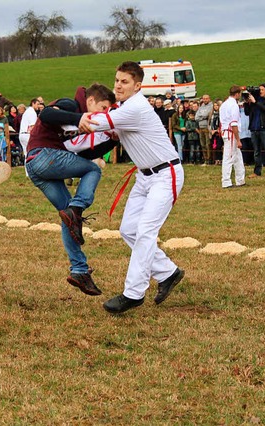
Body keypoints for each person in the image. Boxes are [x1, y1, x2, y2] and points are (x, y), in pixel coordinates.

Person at [87, 61, 185, 314]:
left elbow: (101, 122)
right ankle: (168, 273)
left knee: (145, 231)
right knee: (129, 230)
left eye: (124, 82)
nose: (118, 85)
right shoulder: (125, 107)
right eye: (117, 80)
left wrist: (74, 116)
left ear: (138, 86)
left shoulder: (136, 107)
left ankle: (133, 293)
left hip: (165, 174)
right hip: (145, 176)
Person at [26, 84, 116, 297]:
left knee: (68, 216)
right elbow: (46, 113)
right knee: (93, 170)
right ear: (91, 101)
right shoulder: (71, 105)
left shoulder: (78, 120)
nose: (104, 114)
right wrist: (77, 118)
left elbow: (81, 156)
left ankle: (79, 270)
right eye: (103, 107)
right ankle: (77, 207)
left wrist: (112, 142)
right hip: (43, 156)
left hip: (36, 166)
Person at [244, 84, 265, 177]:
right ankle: (257, 171)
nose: (260, 91)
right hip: (254, 129)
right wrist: (247, 102)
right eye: (259, 89)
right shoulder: (254, 101)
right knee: (256, 152)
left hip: (263, 129)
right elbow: (246, 112)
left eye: (262, 89)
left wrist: (255, 101)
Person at [219, 85, 245, 188]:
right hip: (231, 133)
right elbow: (234, 123)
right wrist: (238, 140)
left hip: (226, 131)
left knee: (237, 157)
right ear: (237, 94)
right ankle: (226, 181)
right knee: (229, 157)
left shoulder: (224, 104)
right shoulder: (233, 105)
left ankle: (240, 179)